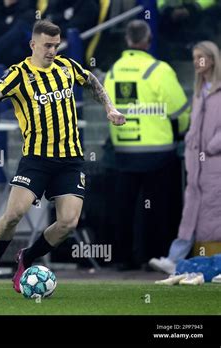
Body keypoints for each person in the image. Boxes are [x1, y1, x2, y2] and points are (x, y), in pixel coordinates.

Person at [0, 20, 125, 292]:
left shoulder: (66, 67)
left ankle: (26, 257)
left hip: (71, 160)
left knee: (67, 223)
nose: (52, 50)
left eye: (55, 45)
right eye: (47, 45)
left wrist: (109, 108)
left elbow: (91, 80)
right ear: (33, 45)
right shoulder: (19, 74)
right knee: (14, 214)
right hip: (36, 159)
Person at [104, 20, 190, 270]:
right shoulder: (159, 70)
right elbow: (181, 111)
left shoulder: (113, 71)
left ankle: (122, 259)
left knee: (124, 209)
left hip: (124, 153)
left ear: (127, 40)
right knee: (157, 209)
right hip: (159, 154)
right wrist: (181, 132)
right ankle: (154, 257)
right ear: (148, 40)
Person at [149, 41, 221, 274]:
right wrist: (191, 140)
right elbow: (195, 124)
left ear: (211, 60)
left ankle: (213, 262)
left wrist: (212, 146)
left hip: (214, 162)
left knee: (213, 213)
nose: (196, 62)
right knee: (190, 212)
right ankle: (175, 259)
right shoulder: (200, 89)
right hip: (196, 164)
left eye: (200, 57)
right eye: (194, 58)